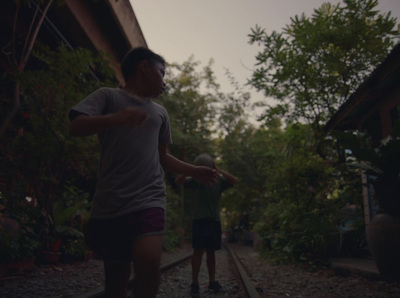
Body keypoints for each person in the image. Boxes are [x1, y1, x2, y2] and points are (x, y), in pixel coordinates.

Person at [68, 47, 218, 298]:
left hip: (149, 198)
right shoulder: (108, 96)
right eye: (162, 72)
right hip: (111, 202)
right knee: (116, 282)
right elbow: (75, 126)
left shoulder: (160, 113)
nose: (165, 81)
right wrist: (116, 119)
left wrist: (196, 171)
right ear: (144, 67)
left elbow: (163, 157)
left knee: (149, 262)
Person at [175, 153, 238, 297]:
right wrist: (192, 170)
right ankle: (195, 283)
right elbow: (179, 181)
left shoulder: (219, 181)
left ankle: (212, 282)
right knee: (197, 252)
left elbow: (234, 180)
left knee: (211, 252)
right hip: (200, 220)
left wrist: (218, 169)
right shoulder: (196, 181)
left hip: (214, 221)